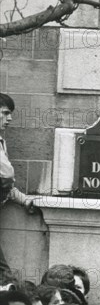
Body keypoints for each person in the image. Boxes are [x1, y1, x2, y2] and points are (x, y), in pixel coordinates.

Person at [0, 93, 36, 276]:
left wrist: (24, 200)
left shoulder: (1, 142)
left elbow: (7, 182)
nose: (10, 118)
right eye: (5, 113)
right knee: (3, 273)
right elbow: (6, 175)